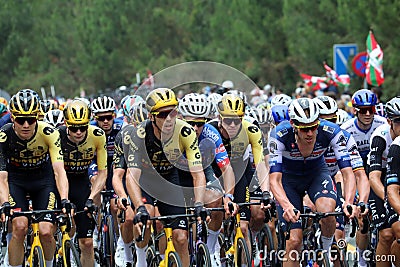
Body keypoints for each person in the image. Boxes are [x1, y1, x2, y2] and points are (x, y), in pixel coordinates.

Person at [122, 88, 208, 267]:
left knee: (181, 238)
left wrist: (199, 203)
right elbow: (131, 176)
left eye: (173, 112)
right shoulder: (139, 134)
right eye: (162, 114)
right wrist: (139, 207)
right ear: (152, 117)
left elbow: (198, 173)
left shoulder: (185, 132)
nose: (169, 118)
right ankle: (142, 261)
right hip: (146, 181)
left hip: (170, 180)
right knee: (144, 222)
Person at [268, 98, 357, 266]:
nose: (310, 133)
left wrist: (349, 202)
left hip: (316, 174)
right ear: (293, 124)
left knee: (328, 211)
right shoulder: (279, 135)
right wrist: (287, 206)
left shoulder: (331, 131)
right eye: (304, 129)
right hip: (289, 180)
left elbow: (347, 173)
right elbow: (274, 180)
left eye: (313, 127)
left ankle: (325, 252)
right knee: (294, 242)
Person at [0, 89, 71, 267]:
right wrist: (4, 204)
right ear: (12, 119)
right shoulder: (3, 136)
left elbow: (59, 171)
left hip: (43, 182)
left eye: (31, 120)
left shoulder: (49, 133)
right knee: (20, 227)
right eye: (20, 120)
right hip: (16, 181)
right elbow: (1, 176)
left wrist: (64, 199)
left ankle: (49, 263)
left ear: (37, 118)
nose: (26, 125)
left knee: (47, 231)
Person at [208, 94, 272, 254]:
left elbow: (261, 165)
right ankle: (211, 249)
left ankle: (248, 248)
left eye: (237, 120)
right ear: (219, 118)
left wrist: (265, 192)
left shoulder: (251, 130)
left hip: (238, 173)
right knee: (216, 211)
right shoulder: (210, 130)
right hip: (214, 172)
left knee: (244, 226)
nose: (232, 124)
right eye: (228, 120)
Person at [178, 93, 237, 266]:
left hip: (204, 170)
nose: (195, 129)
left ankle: (212, 250)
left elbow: (226, 169)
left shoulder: (211, 134)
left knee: (217, 202)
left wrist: (229, 196)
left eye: (199, 124)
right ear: (180, 119)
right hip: (177, 176)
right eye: (190, 124)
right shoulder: (170, 134)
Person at [340, 89, 387, 266]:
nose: (367, 114)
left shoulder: (383, 124)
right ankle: (361, 260)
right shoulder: (346, 129)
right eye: (362, 110)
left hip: (378, 171)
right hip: (357, 172)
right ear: (355, 110)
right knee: (362, 217)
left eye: (371, 109)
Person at [59, 99, 108, 267]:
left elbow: (103, 173)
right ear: (66, 124)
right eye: (73, 128)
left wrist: (92, 197)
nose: (79, 132)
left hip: (81, 182)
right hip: (59, 182)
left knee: (87, 243)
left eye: (83, 127)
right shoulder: (56, 136)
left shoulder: (97, 135)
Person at [113, 101, 148, 267]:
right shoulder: (124, 137)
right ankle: (126, 251)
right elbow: (117, 175)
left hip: (151, 181)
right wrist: (122, 196)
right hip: (130, 179)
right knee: (128, 217)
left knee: (157, 219)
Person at [367, 96, 400, 267]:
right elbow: (374, 177)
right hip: (381, 178)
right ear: (389, 121)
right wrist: (389, 201)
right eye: (398, 122)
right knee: (387, 234)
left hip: (397, 176)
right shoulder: (380, 136)